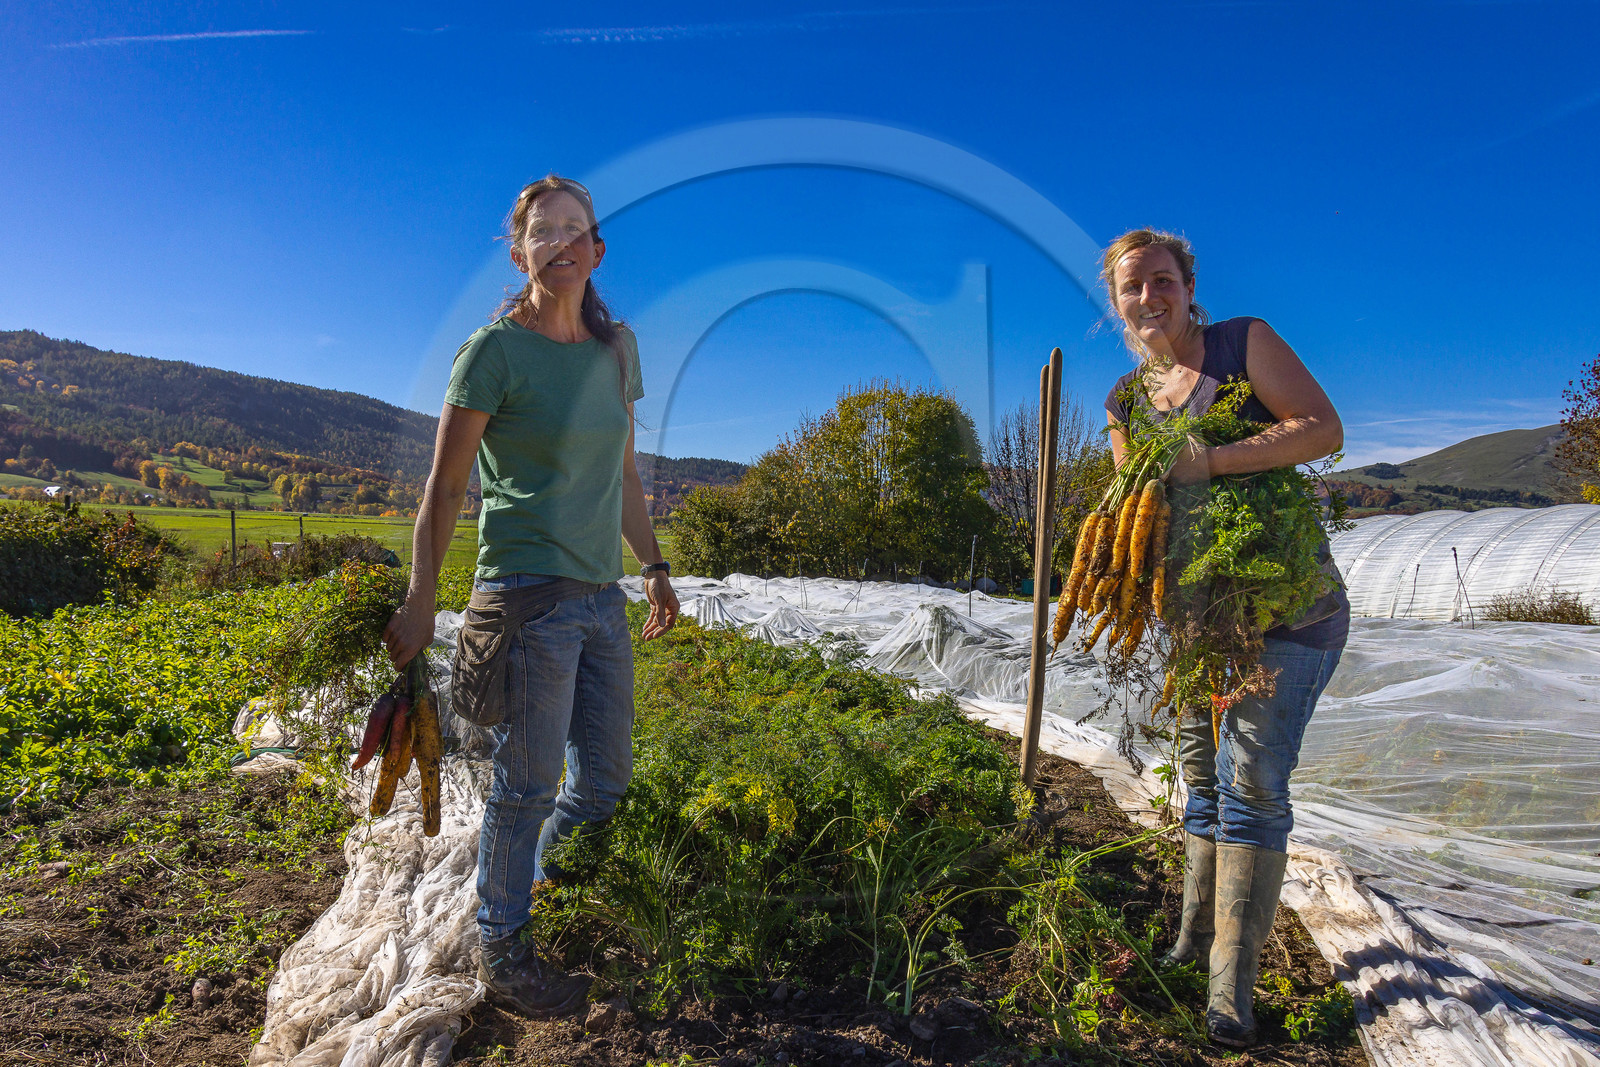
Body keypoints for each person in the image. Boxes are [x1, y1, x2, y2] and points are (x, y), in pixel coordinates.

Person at [383, 174, 679, 1019]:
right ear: (521, 254)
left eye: (573, 230)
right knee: (526, 786)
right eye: (542, 233)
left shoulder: (617, 350)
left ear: (597, 249)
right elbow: (443, 490)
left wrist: (653, 567)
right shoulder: (492, 352)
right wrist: (419, 600)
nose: (559, 244)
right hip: (524, 597)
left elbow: (623, 472)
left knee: (605, 782)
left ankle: (532, 884)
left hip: (600, 599)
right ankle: (503, 949)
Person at [1100, 228, 1348, 1048]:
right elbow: (1150, 514)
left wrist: (1216, 458)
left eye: (1163, 280)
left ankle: (1229, 991)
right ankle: (1191, 942)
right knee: (1203, 780)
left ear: (1188, 283)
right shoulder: (1125, 402)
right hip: (1201, 623)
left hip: (1290, 610)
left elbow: (1320, 427)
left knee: (1250, 785)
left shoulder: (1242, 344)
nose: (1150, 298)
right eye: (1133, 286)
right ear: (1116, 299)